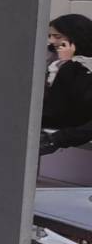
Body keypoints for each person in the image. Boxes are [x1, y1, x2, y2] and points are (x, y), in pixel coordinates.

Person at [41, 14, 92, 153]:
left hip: (64, 128)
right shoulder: (50, 58)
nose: (52, 41)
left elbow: (62, 103)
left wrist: (66, 64)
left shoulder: (80, 68)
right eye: (50, 36)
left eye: (57, 37)